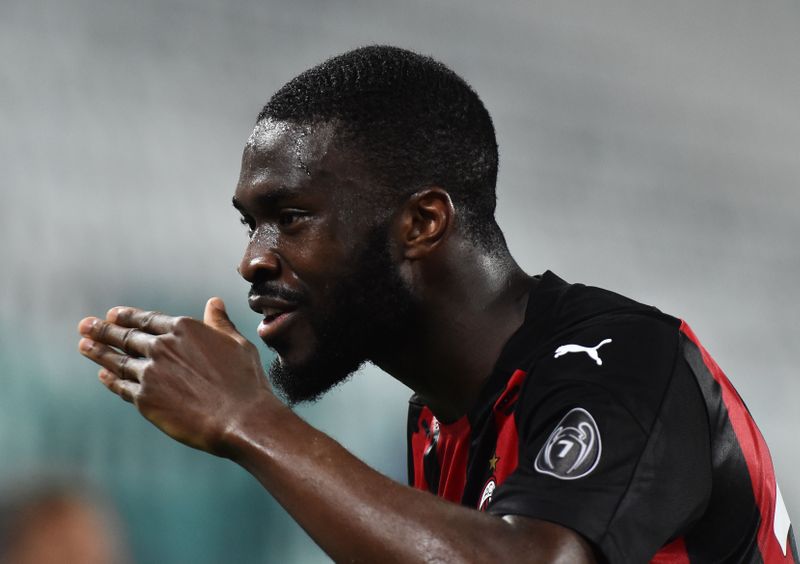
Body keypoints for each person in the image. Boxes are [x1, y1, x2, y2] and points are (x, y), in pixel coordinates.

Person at [77, 45, 797, 562]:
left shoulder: (627, 360)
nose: (253, 259)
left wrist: (248, 420)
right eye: (250, 225)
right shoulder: (438, 421)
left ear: (422, 222)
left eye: (290, 218)